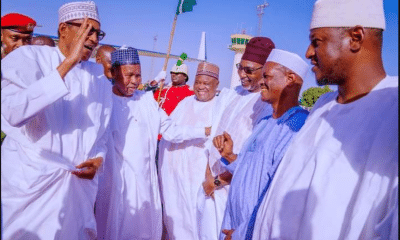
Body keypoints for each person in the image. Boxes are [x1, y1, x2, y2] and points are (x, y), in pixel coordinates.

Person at [251, 0, 398, 239]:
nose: (308, 52)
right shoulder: (323, 106)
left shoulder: (393, 109)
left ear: (356, 38)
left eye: (316, 42)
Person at [1, 1, 112, 239]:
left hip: (77, 191)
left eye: (97, 33)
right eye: (87, 30)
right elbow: (14, 113)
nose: (93, 39)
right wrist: (67, 64)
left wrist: (98, 159)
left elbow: (102, 132)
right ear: (63, 29)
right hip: (31, 185)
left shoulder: (98, 77)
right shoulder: (28, 57)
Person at [94, 46, 211, 240]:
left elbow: (171, 130)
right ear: (114, 72)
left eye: (138, 75)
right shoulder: (103, 100)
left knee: (144, 231)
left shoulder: (146, 101)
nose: (134, 81)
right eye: (129, 75)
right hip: (114, 185)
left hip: (145, 184)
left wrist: (205, 131)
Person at [213, 49, 309, 240]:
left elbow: (277, 194)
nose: (261, 81)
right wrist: (230, 156)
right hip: (235, 227)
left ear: (290, 79)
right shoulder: (266, 121)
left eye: (267, 76)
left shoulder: (297, 125)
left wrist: (242, 233)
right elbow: (253, 169)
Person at [197, 36, 275, 240]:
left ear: (265, 70)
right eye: (241, 67)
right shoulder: (231, 94)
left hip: (233, 192)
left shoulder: (266, 104)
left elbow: (254, 159)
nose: (242, 74)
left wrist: (217, 181)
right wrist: (208, 176)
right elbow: (213, 136)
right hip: (209, 184)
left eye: (249, 70)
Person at [159, 62, 231, 239]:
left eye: (206, 83)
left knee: (194, 222)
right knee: (173, 218)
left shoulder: (220, 107)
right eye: (198, 82)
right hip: (172, 177)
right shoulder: (185, 102)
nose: (200, 87)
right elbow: (170, 132)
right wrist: (204, 131)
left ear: (217, 84)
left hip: (197, 178)